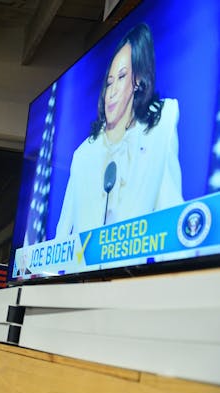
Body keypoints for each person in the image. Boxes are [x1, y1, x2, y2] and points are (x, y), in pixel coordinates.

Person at [55, 23, 183, 237]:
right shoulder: (83, 155)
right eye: (109, 82)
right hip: (82, 266)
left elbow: (170, 212)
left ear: (138, 80)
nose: (112, 92)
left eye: (122, 77)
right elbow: (63, 233)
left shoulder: (160, 127)